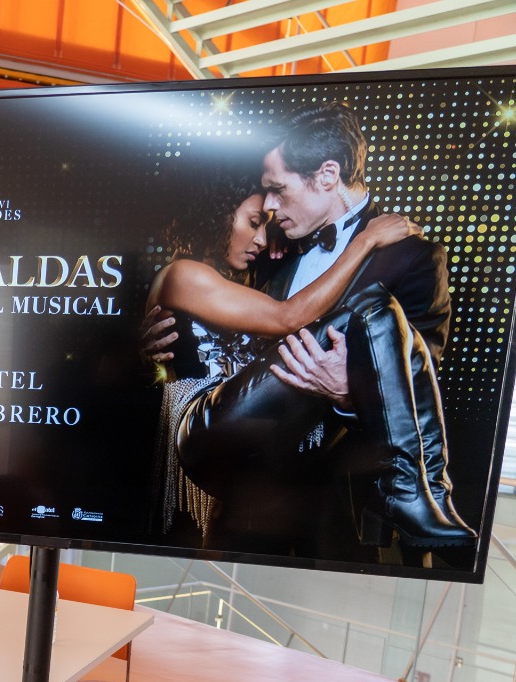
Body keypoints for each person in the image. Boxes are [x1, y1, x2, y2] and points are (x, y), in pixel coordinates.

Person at [148, 102, 474, 557]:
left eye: (278, 190)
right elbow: (247, 324)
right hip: (241, 495)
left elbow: (422, 379)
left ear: (326, 175)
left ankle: (420, 493)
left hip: (333, 511)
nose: (271, 208)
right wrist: (151, 343)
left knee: (375, 309)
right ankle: (422, 492)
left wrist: (347, 392)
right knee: (372, 305)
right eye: (263, 203)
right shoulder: (269, 251)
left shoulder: (411, 256)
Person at [142, 166, 418, 544]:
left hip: (248, 439)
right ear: (217, 215)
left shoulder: (238, 281)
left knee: (223, 545)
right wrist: (365, 242)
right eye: (253, 222)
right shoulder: (184, 273)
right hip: (206, 424)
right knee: (370, 310)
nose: (259, 238)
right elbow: (287, 318)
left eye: (265, 227)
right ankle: (415, 480)